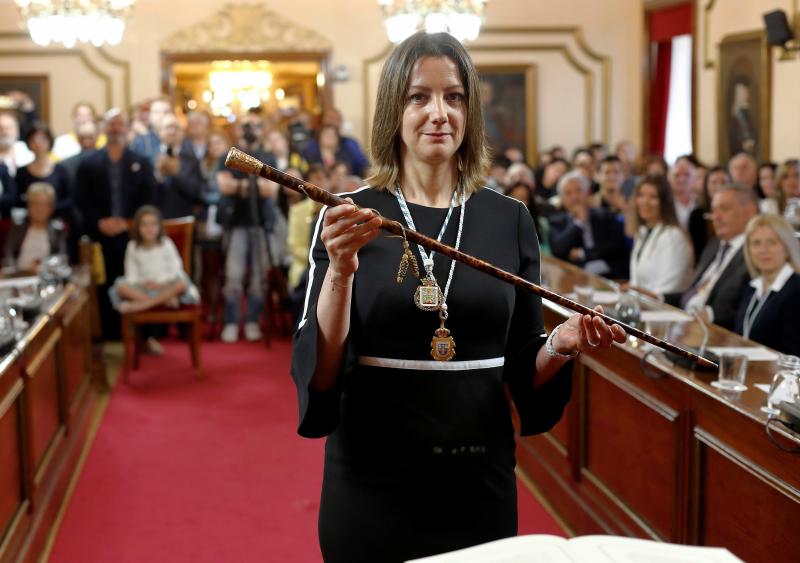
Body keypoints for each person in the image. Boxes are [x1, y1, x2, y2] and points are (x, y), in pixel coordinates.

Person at [291, 32, 625, 563]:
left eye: (454, 96)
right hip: (372, 482)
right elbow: (322, 371)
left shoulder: (508, 218)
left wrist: (560, 343)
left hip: (477, 480)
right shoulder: (348, 213)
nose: (439, 113)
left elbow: (522, 368)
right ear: (392, 111)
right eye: (418, 97)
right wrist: (341, 270)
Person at [76, 108, 156, 338]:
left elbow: (149, 198)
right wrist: (100, 222)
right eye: (111, 123)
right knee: (104, 286)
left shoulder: (141, 162)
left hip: (132, 235)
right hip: (99, 236)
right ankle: (109, 335)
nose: (116, 128)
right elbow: (80, 199)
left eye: (120, 124)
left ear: (127, 128)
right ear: (103, 127)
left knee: (138, 282)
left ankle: (143, 336)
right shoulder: (88, 162)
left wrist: (129, 223)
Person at [215, 116, 278, 343]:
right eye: (245, 126)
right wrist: (251, 186)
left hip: (261, 223)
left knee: (259, 278)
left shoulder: (268, 157)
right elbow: (224, 186)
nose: (250, 130)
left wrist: (239, 186)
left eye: (255, 125)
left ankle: (252, 320)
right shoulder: (228, 156)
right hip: (236, 224)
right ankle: (231, 321)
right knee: (233, 276)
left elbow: (269, 190)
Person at [109, 205, 199, 354]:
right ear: (138, 227)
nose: (149, 228)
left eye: (153, 224)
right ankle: (160, 301)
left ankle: (143, 304)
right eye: (144, 224)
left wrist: (160, 282)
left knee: (182, 282)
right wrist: (143, 283)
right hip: (144, 288)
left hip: (165, 286)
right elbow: (130, 274)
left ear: (159, 226)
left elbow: (176, 269)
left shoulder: (166, 244)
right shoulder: (132, 246)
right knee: (120, 286)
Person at [675, 184, 758, 330]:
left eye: (724, 209)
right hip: (686, 323)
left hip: (716, 333)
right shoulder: (714, 245)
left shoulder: (755, 251)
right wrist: (659, 298)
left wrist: (710, 314)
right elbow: (694, 292)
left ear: (750, 211)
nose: (716, 217)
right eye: (713, 211)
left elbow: (747, 309)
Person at [734, 215, 800, 356]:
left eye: (772, 242)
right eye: (756, 243)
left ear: (787, 248)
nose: (763, 250)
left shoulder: (796, 291)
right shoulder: (751, 287)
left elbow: (793, 354)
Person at [549, 170, 629, 278]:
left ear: (588, 193)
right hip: (575, 276)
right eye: (568, 193)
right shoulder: (557, 222)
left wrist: (583, 253)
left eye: (579, 191)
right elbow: (558, 250)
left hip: (608, 274)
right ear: (562, 199)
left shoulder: (606, 216)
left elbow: (616, 246)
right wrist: (578, 223)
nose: (574, 197)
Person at [627, 175, 693, 297]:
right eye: (641, 195)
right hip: (639, 306)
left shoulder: (674, 237)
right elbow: (636, 281)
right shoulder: (642, 232)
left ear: (664, 202)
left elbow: (667, 290)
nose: (645, 202)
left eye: (653, 197)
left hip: (661, 312)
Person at [3, 182, 66, 271]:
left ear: (51, 207)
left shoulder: (58, 229)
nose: (39, 209)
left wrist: (43, 263)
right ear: (28, 205)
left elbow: (61, 257)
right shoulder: (17, 226)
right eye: (34, 203)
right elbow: (8, 253)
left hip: (46, 277)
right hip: (18, 277)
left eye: (43, 204)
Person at [15, 121, 72, 219]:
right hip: (30, 221)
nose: (38, 143)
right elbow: (17, 200)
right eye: (34, 139)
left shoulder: (61, 170)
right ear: (28, 143)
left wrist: (48, 209)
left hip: (57, 221)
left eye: (43, 139)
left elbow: (69, 199)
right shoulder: (21, 172)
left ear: (50, 141)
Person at [153, 113, 205, 219]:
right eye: (168, 127)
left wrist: (177, 174)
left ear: (182, 133)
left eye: (176, 128)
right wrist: (158, 177)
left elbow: (198, 192)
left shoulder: (192, 159)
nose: (172, 132)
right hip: (156, 220)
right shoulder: (149, 157)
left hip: (184, 218)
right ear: (159, 132)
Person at [687, 165, 730, 261]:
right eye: (714, 182)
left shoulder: (736, 214)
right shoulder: (697, 215)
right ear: (706, 186)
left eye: (723, 182)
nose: (719, 186)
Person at [130, 98, 172, 165]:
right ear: (151, 115)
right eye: (157, 112)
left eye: (167, 112)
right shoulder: (140, 141)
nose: (163, 115)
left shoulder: (177, 137)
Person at [0, 111, 34, 176]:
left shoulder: (27, 149)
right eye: (0, 128)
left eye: (9, 128)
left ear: (17, 130)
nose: (5, 132)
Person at [668, 157, 696, 230]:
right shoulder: (665, 204)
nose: (682, 180)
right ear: (669, 179)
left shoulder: (701, 202)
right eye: (677, 175)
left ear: (694, 179)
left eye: (687, 175)